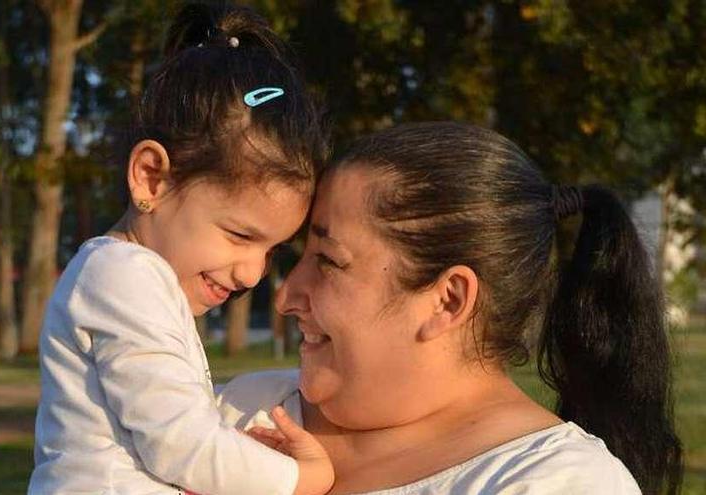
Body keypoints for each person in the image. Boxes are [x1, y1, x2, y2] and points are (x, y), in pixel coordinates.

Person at [219, 122, 683, 494]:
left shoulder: (555, 482)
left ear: (449, 300)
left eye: (328, 261)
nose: (284, 296)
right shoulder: (243, 408)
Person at [28, 3, 333, 495]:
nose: (253, 274)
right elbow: (180, 443)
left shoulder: (135, 279)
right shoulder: (122, 276)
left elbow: (174, 414)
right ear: (151, 177)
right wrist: (300, 480)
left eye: (272, 251)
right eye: (239, 236)